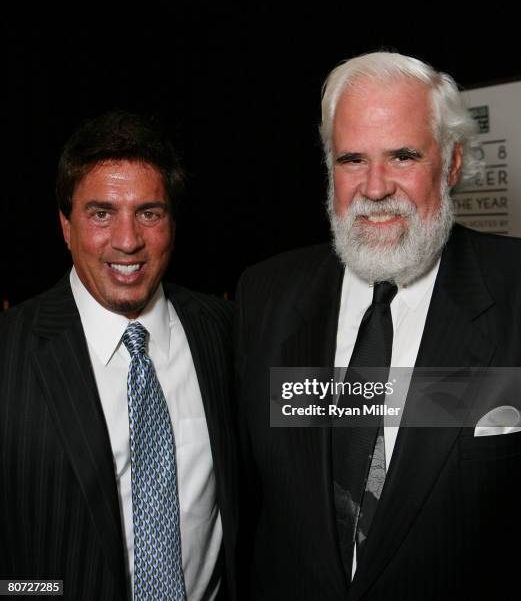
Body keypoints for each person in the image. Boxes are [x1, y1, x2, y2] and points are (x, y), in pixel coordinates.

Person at [235, 52, 521, 600]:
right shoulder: (265, 296)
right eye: (351, 160)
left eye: (403, 156)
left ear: (453, 162)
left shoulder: (513, 293)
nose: (374, 187)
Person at [0, 111, 237, 601]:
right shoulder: (9, 350)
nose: (128, 241)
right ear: (66, 226)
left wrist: (442, 401)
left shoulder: (226, 331)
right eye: (101, 213)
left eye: (149, 213)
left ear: (171, 223)